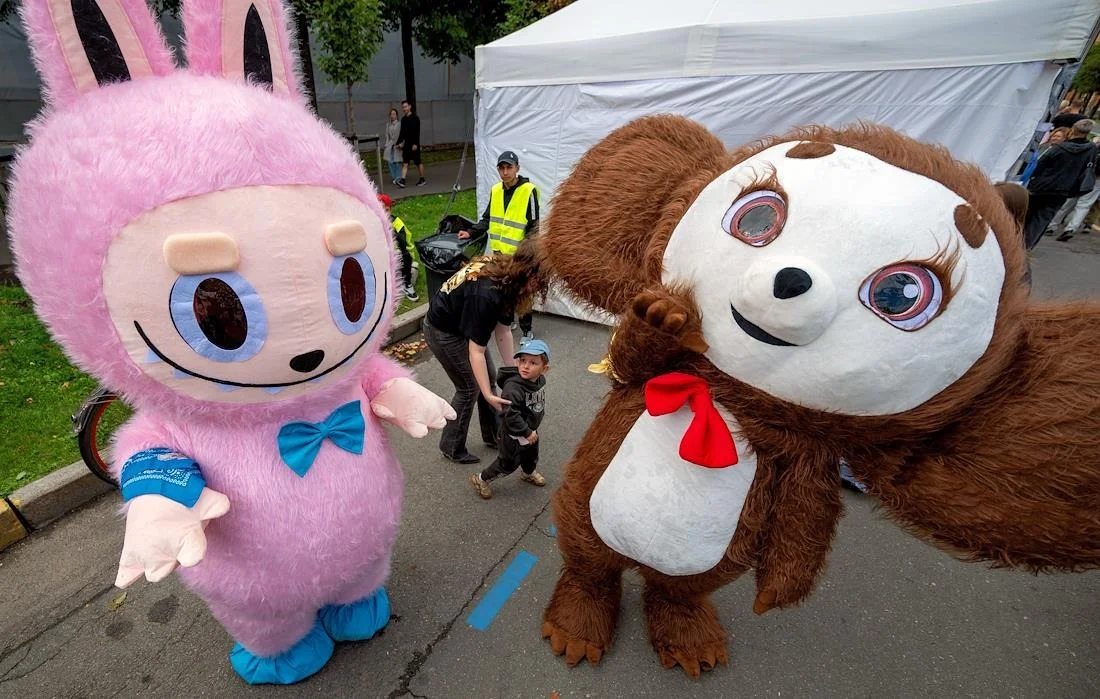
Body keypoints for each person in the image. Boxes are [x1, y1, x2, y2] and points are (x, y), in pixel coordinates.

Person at [423, 239, 547, 464]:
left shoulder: (508, 281)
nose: (539, 288)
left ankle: (494, 435)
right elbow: (476, 352)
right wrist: (489, 395)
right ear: (527, 273)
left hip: (460, 323)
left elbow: (503, 331)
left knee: (488, 380)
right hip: (443, 331)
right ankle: (451, 446)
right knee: (470, 387)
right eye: (539, 282)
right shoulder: (487, 294)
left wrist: (514, 369)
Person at [459, 150, 540, 341]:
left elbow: (534, 226)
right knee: (503, 290)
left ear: (517, 168)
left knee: (522, 292)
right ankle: (507, 321)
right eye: (501, 168)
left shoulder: (528, 190)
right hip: (499, 254)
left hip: (519, 255)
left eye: (509, 167)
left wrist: (527, 253)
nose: (505, 172)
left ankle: (527, 330)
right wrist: (471, 232)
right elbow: (487, 218)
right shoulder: (496, 190)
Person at [469, 339, 550, 499]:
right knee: (507, 463)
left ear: (544, 369)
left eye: (533, 363)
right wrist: (526, 432)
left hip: (530, 430)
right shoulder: (513, 389)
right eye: (522, 360)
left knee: (531, 455)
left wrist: (530, 429)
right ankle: (481, 479)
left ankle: (528, 473)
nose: (525, 366)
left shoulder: (539, 381)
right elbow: (510, 415)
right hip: (514, 434)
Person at [1023, 119, 1097, 250]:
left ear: (1072, 130)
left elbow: (1040, 165)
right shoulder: (1091, 149)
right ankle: (1027, 245)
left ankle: (1017, 240)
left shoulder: (1060, 148)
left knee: (1027, 214)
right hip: (1063, 190)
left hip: (1041, 186)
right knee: (1043, 219)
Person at [1048, 134, 1100, 242]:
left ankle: (1052, 225)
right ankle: (1071, 228)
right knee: (1084, 205)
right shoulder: (1093, 146)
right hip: (1097, 180)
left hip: (1083, 175)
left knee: (1068, 202)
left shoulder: (1092, 146)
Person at [378, 194, 419, 301]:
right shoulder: (373, 222)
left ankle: (407, 283)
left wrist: (391, 229)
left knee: (405, 256)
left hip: (400, 253)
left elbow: (403, 243)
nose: (384, 213)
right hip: (382, 254)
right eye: (380, 209)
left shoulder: (397, 222)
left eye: (386, 210)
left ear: (390, 209)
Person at [396, 99, 425, 188]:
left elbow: (417, 132)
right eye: (403, 107)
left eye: (405, 106)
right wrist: (398, 143)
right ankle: (402, 181)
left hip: (414, 144)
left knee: (418, 162)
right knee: (405, 163)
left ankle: (422, 179)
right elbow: (402, 133)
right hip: (407, 145)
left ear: (409, 106)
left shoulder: (415, 118)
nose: (404, 109)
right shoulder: (403, 120)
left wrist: (415, 144)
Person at [383, 108, 402, 185]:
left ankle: (398, 178)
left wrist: (401, 144)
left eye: (394, 114)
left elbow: (402, 135)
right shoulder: (388, 125)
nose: (392, 116)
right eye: (391, 114)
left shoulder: (400, 124)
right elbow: (387, 135)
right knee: (390, 161)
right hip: (390, 145)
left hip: (398, 144)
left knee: (397, 162)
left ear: (397, 115)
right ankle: (394, 177)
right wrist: (386, 144)